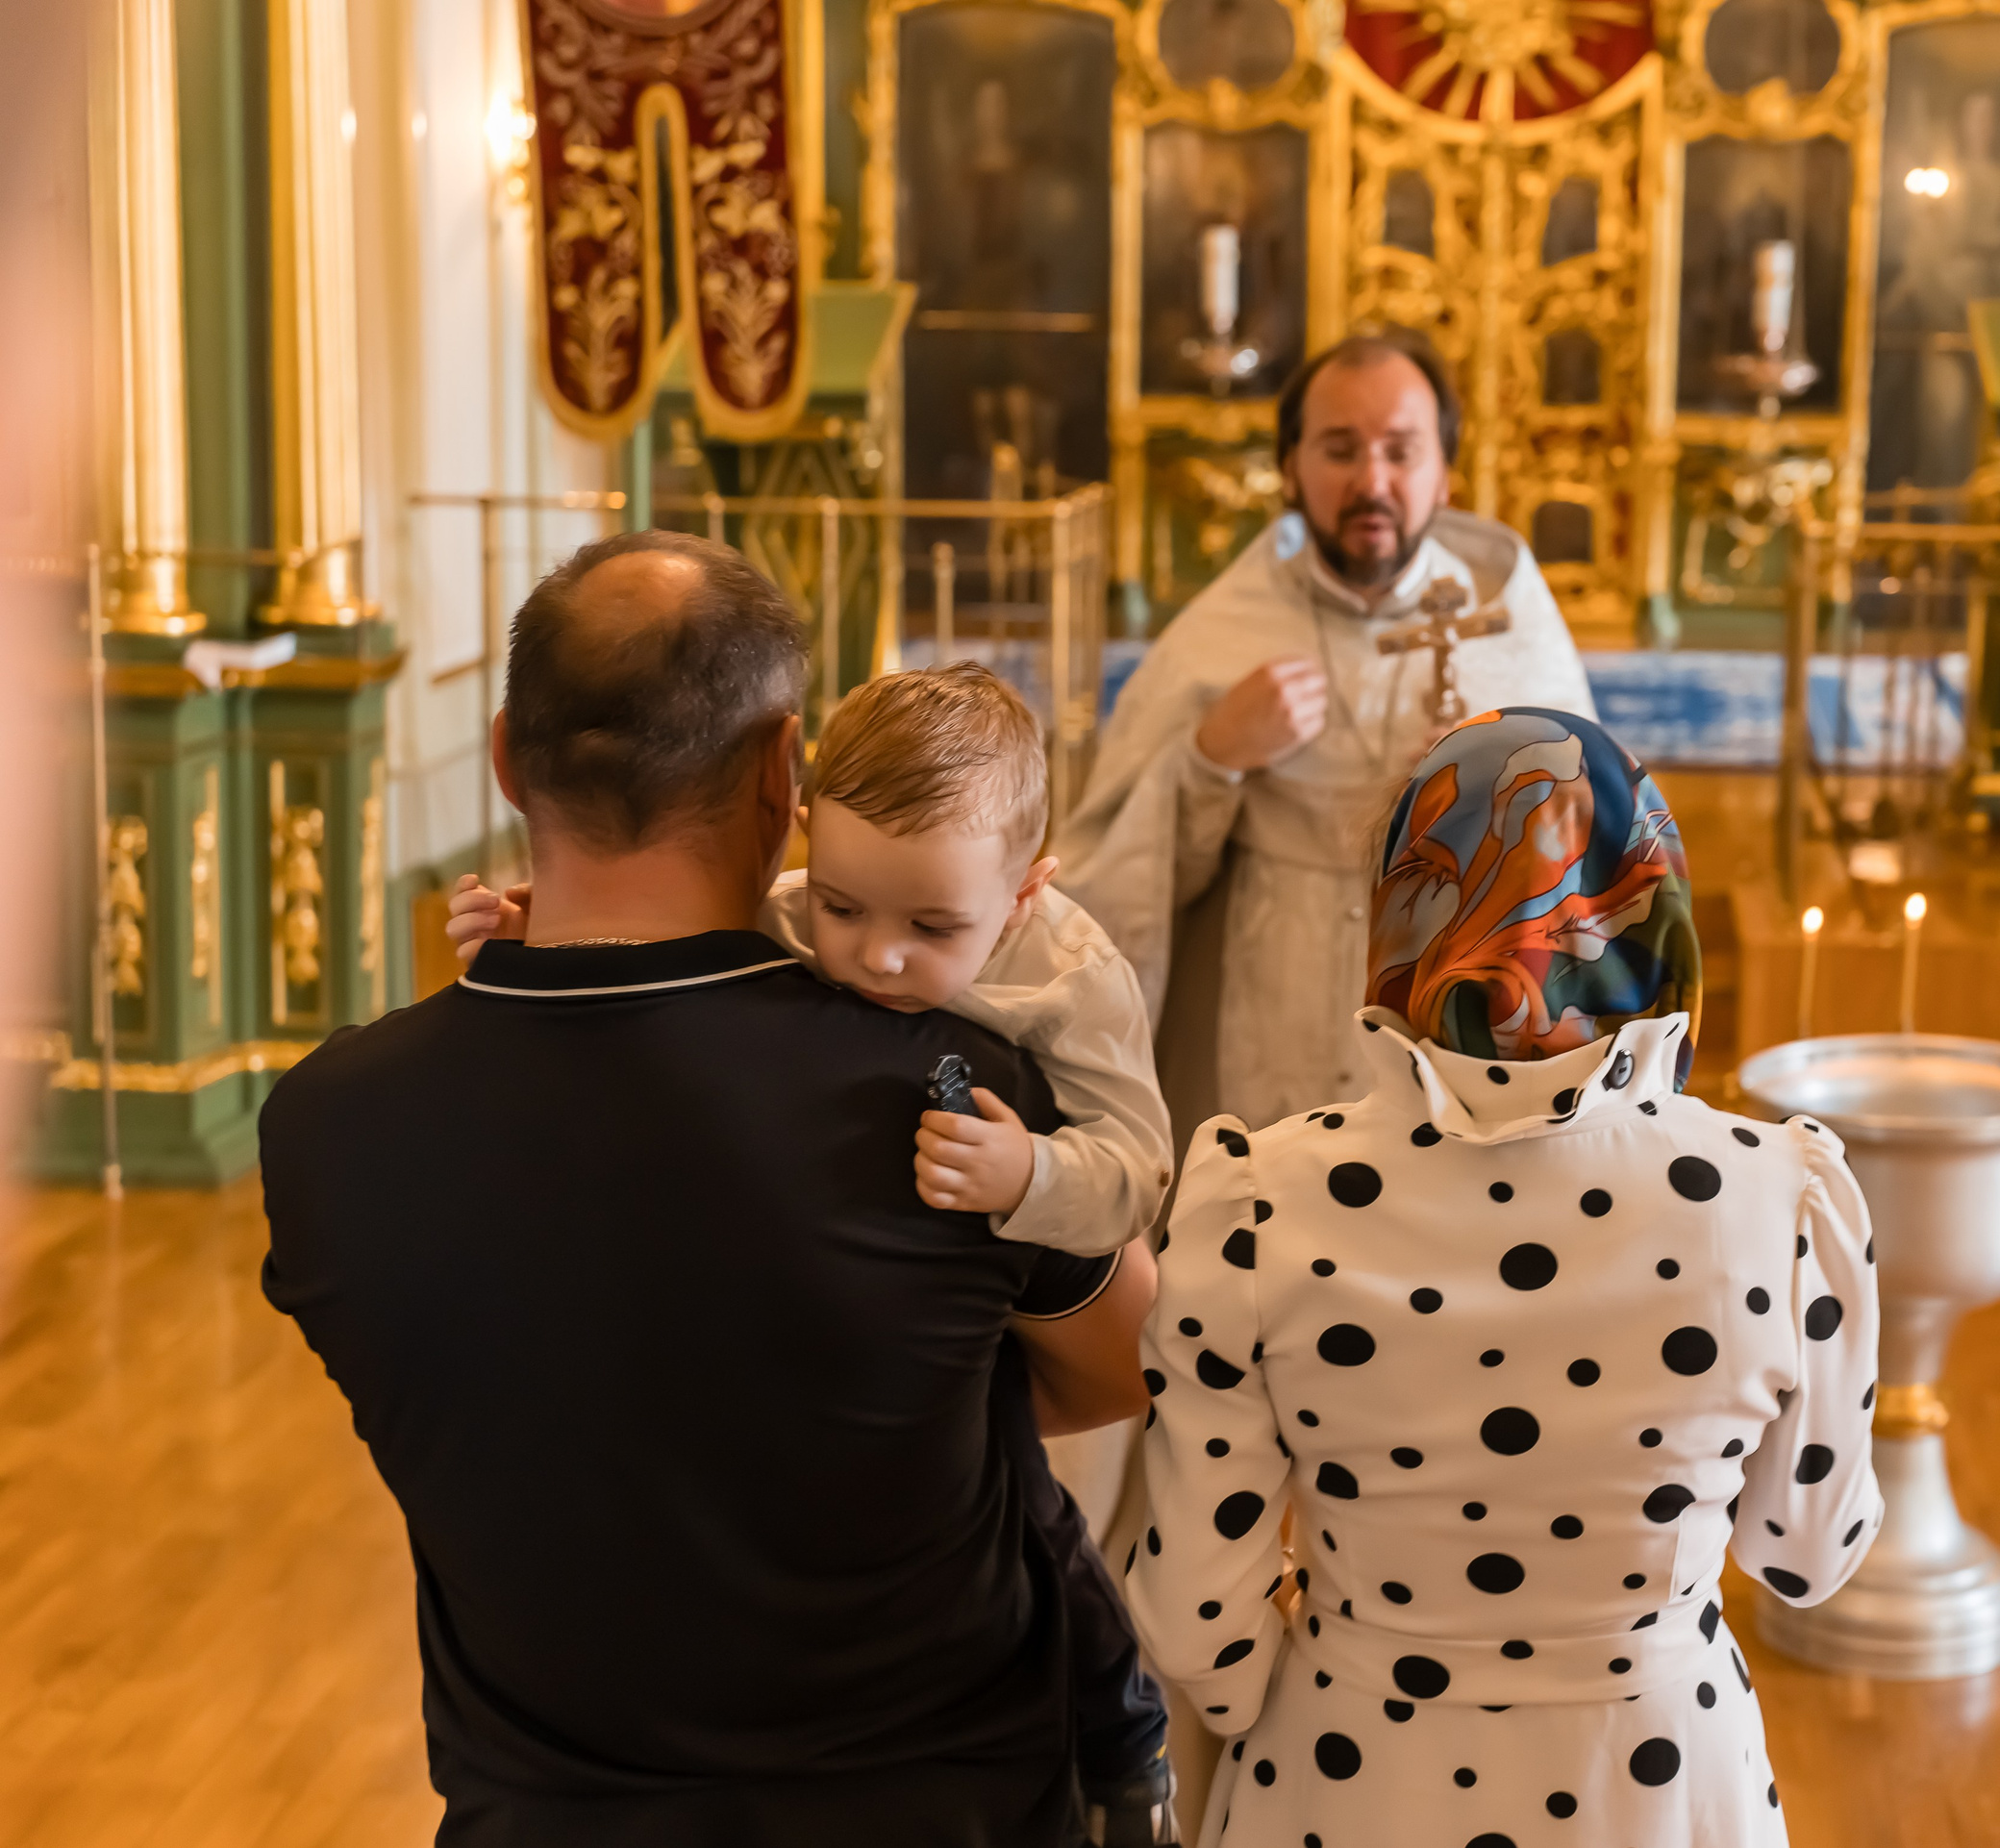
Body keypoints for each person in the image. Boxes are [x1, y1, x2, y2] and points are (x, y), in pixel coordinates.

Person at [262, 530, 1156, 1847]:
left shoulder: (328, 1127)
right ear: (784, 771)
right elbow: (1124, 1362)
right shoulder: (950, 1092)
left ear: (508, 757)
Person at [444, 659, 1184, 1843]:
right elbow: (664, 953)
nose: (875, 956)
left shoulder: (1070, 978)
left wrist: (1030, 1173)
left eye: (932, 927)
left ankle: (1125, 1732)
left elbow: (1140, 1167)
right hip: (851, 1302)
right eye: (843, 905)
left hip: (998, 1280)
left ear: (1027, 889)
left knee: (1034, 1519)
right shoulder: (799, 911)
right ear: (802, 830)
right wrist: (535, 929)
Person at [1126, 708, 1881, 1845]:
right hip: (1660, 1784)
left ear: (1398, 913)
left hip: (1350, 1777)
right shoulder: (1781, 1201)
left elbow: (1196, 1629)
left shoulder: (1256, 1202)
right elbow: (1806, 1555)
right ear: (1655, 912)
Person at [1055, 330, 1595, 1138]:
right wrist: (1210, 757)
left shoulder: (1513, 626)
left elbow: (1600, 850)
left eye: (1401, 452)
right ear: (1291, 468)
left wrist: (1500, 794)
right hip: (1272, 1006)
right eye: (1339, 449)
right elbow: (1121, 879)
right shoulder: (1224, 631)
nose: (1370, 481)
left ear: (1444, 474)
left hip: (1458, 1020)